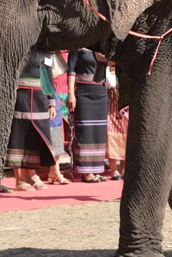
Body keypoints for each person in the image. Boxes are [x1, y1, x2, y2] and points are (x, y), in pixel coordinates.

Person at [7, 50, 60, 190]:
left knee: (35, 137)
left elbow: (47, 75)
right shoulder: (19, 46)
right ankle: (19, 179)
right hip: (21, 96)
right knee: (19, 136)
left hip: (39, 98)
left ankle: (31, 175)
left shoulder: (44, 51)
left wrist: (51, 102)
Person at [66, 48, 108, 182]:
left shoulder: (103, 46)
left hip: (101, 92)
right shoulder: (78, 45)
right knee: (85, 129)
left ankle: (96, 169)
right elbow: (71, 70)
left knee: (98, 131)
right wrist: (71, 94)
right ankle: (85, 171)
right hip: (83, 91)